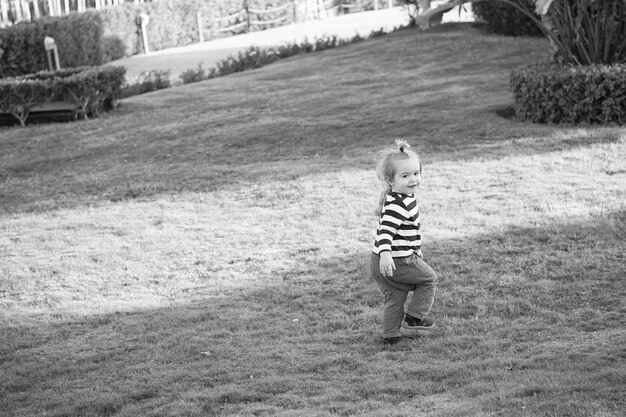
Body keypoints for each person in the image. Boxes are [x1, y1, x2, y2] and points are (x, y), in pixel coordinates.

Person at [370, 139, 438, 345]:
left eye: (416, 174)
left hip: (381, 261)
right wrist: (387, 254)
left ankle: (390, 336)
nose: (412, 179)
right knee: (429, 279)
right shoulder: (398, 205)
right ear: (391, 180)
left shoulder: (401, 197)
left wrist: (415, 249)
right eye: (405, 176)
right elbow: (384, 232)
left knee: (395, 296)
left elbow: (408, 232)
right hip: (394, 260)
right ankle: (415, 317)